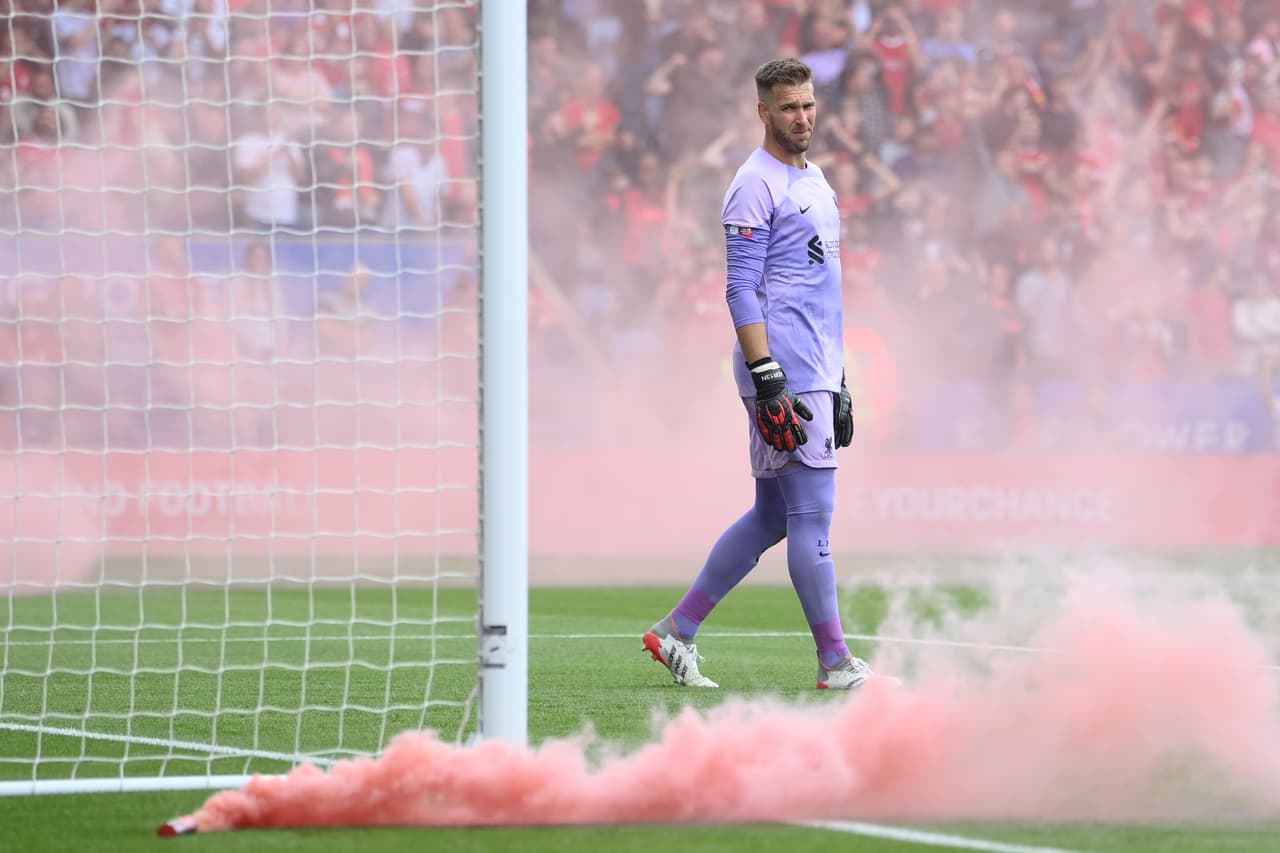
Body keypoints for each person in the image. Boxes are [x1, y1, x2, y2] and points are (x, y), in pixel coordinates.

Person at [642, 58, 885, 691]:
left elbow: (820, 288)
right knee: (813, 514)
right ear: (763, 112)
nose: (801, 117)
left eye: (807, 105)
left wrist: (839, 378)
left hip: (815, 366)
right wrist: (768, 374)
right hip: (784, 366)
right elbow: (741, 287)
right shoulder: (754, 184)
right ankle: (835, 662)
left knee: (773, 515)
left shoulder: (817, 180)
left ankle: (677, 631)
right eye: (787, 107)